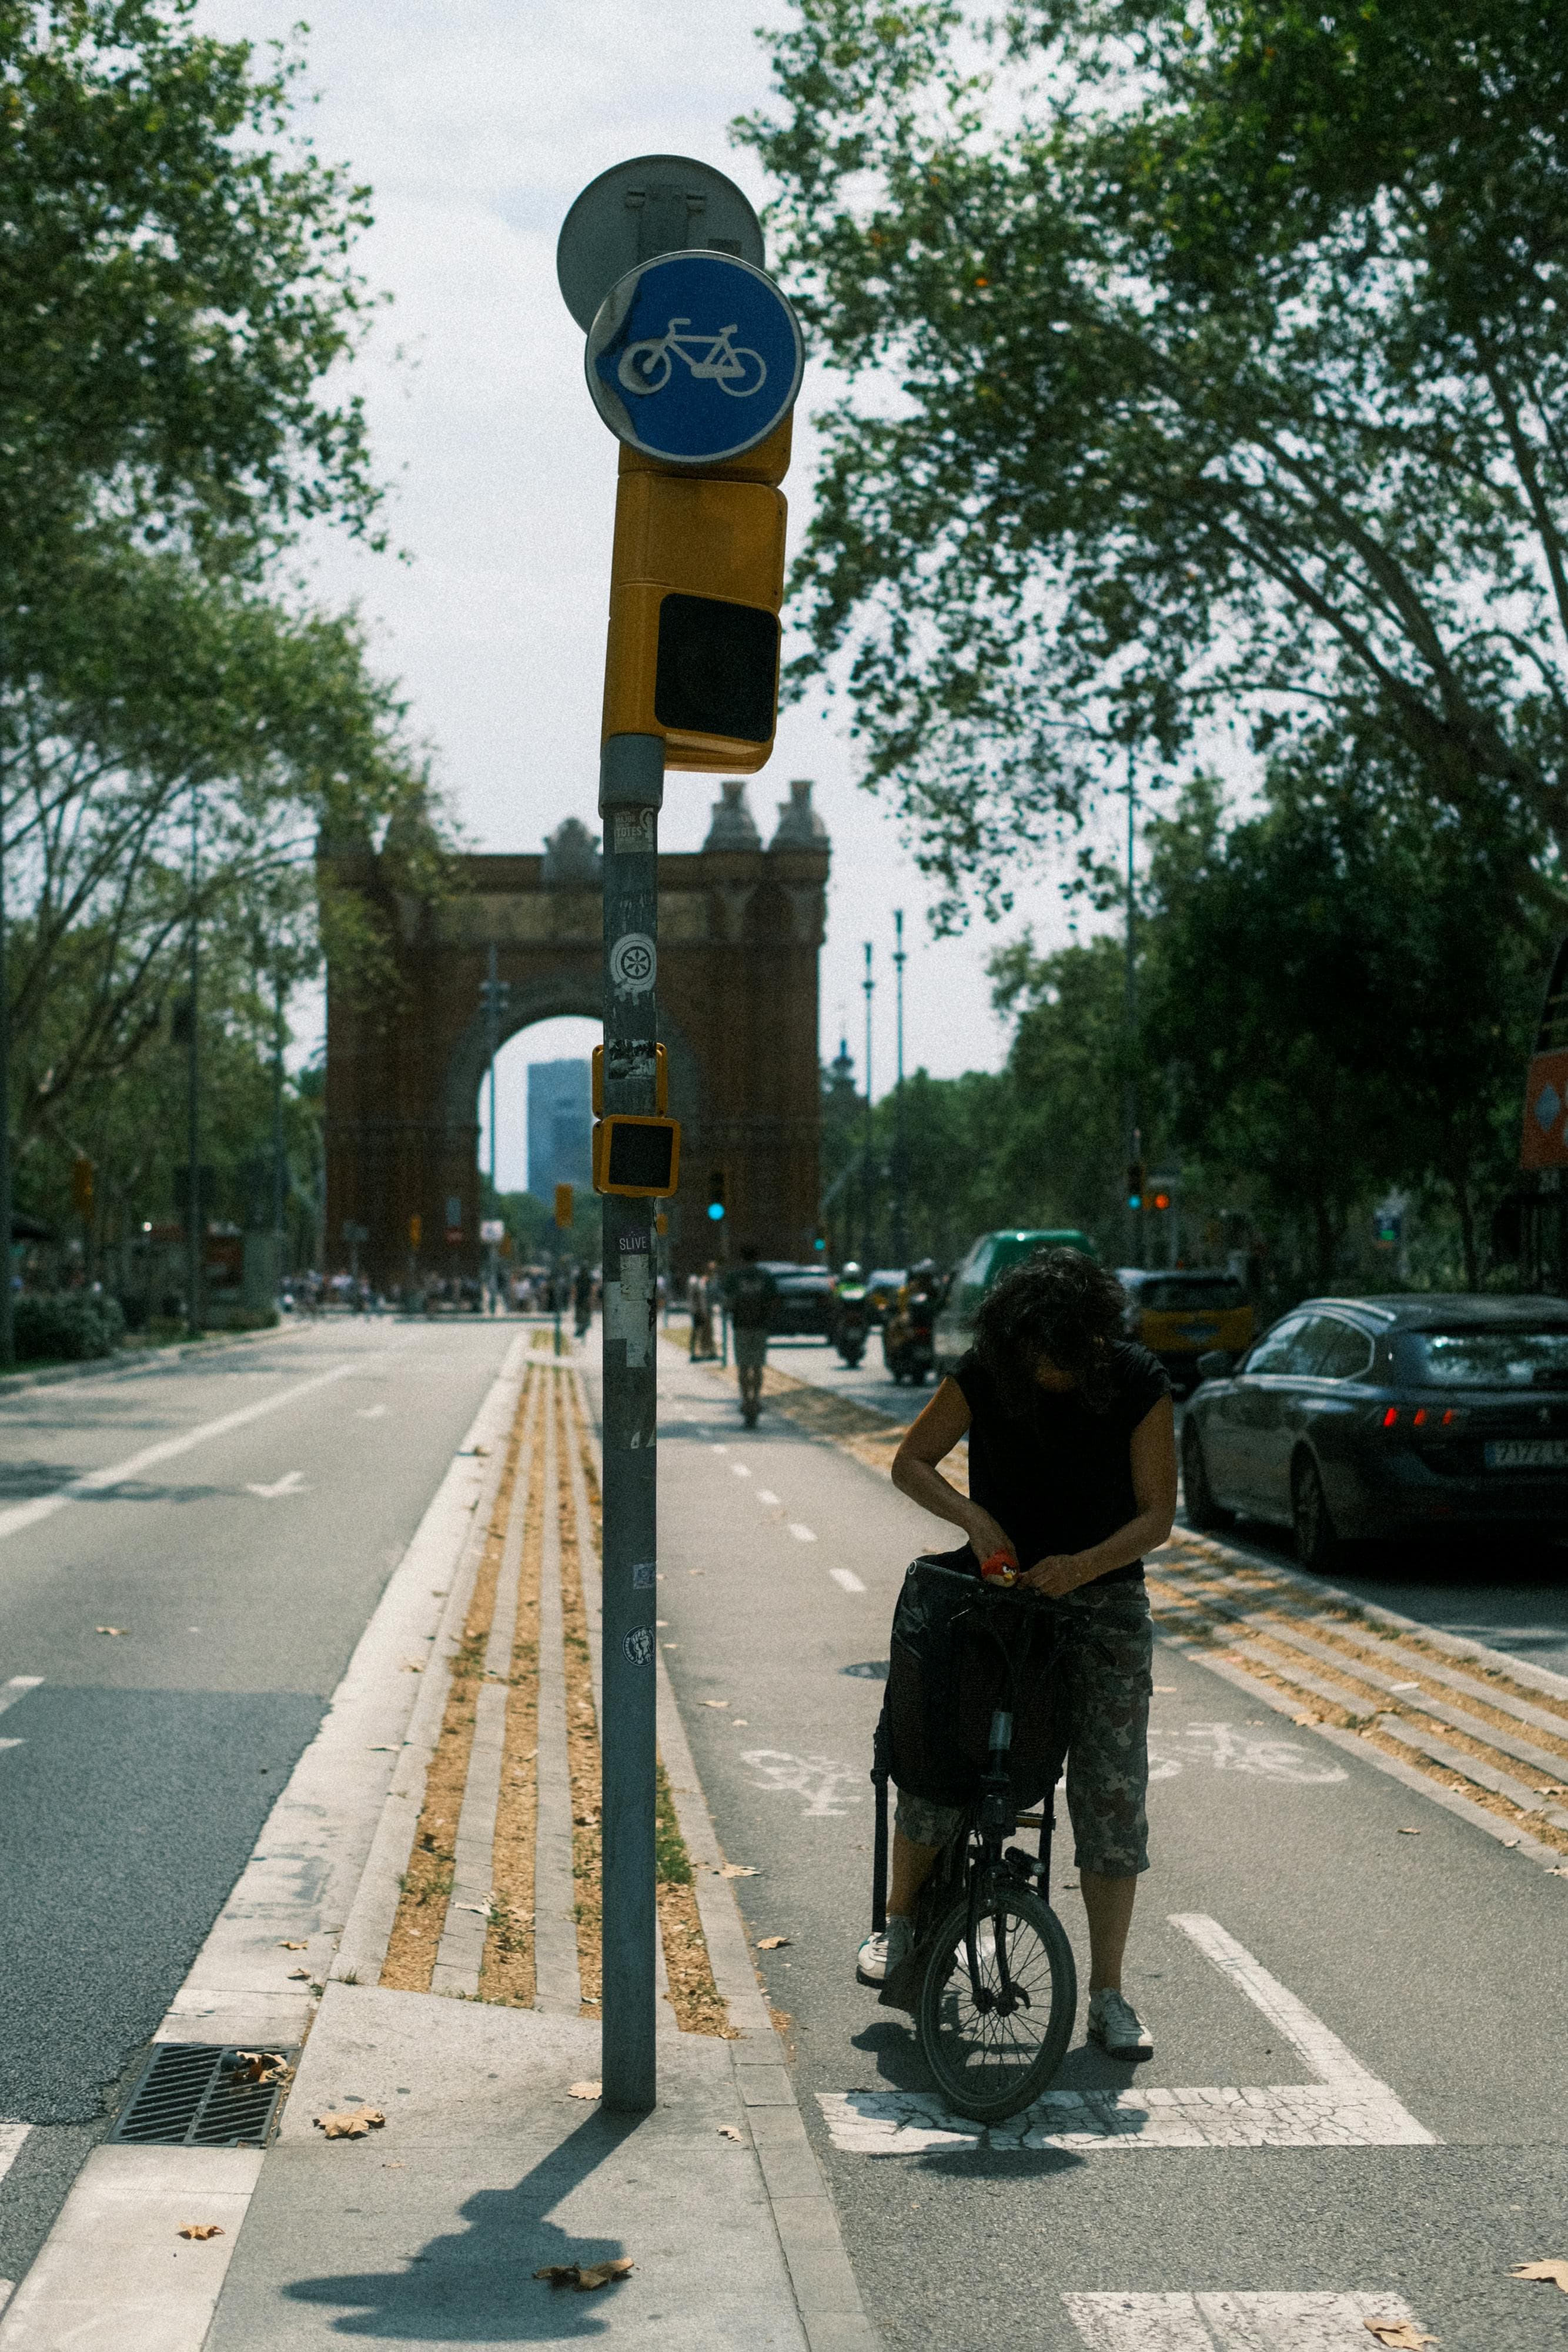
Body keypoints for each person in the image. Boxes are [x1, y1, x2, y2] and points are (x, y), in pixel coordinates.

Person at [861, 1247, 1177, 2062]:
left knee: (1111, 1796)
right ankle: (896, 1925)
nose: (1047, 1376)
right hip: (996, 1602)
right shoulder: (985, 1372)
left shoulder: (1137, 1383)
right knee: (939, 1756)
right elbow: (910, 1463)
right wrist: (974, 1521)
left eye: (1062, 1361)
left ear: (1091, 1344)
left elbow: (1155, 1519)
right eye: (1034, 1359)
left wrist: (1081, 1567)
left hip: (1101, 1607)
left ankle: (1107, 1994)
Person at [725, 1244, 776, 1425]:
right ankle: (756, 1398)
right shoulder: (766, 1277)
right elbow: (773, 1301)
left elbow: (727, 1302)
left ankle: (746, 1400)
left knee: (743, 1366)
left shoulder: (734, 1277)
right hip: (760, 1327)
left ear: (742, 1258)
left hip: (741, 1327)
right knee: (758, 1366)